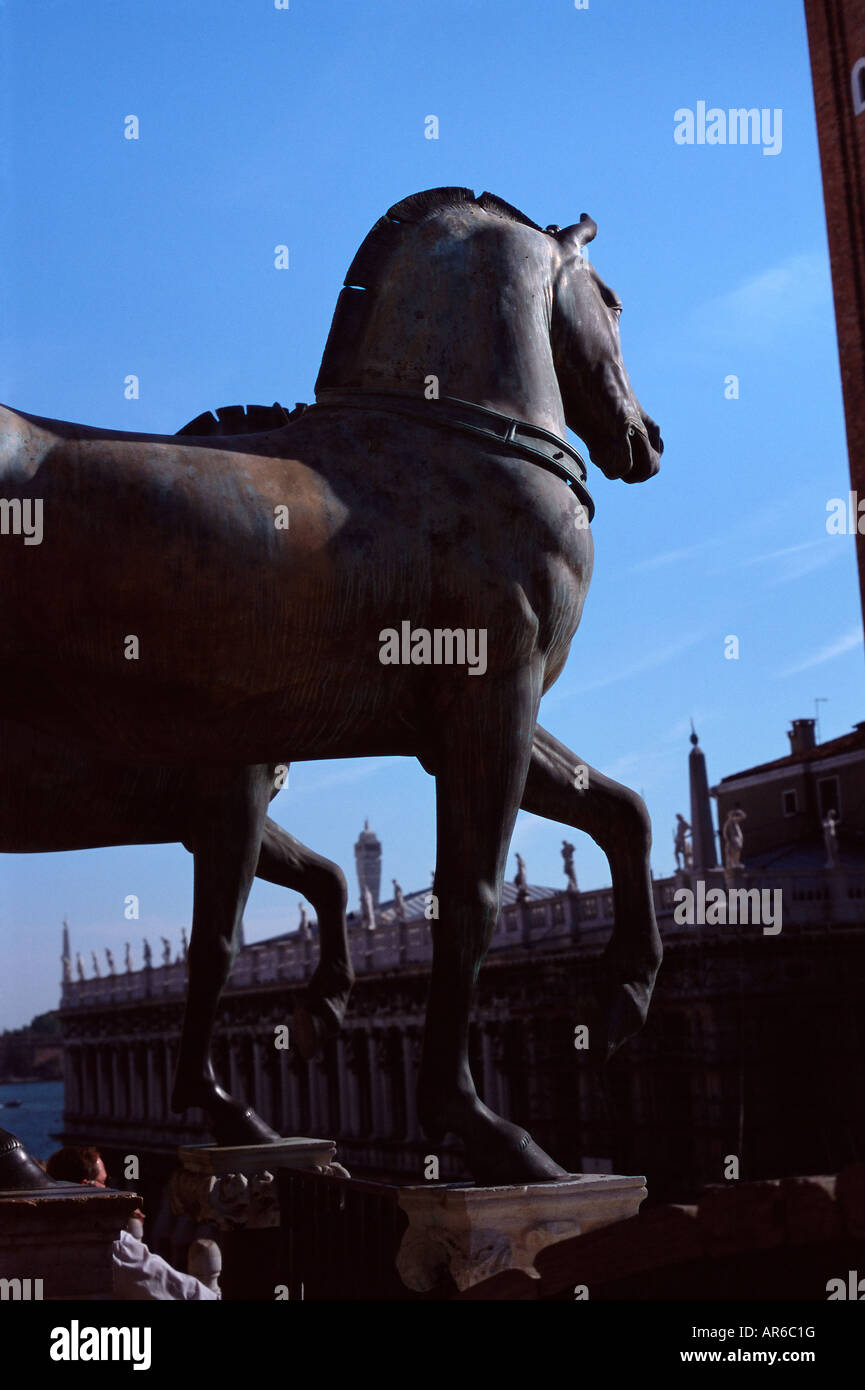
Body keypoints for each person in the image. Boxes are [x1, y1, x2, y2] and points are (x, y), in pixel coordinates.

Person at [46, 1146, 218, 1301]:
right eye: (104, 1182)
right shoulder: (109, 1244)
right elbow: (166, 1286)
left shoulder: (44, 1237)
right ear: (86, 1186)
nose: (108, 1190)